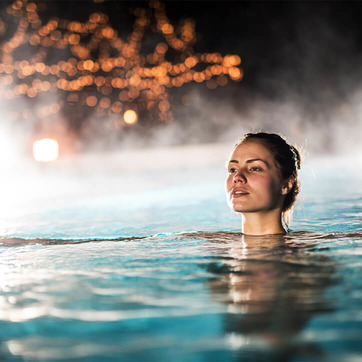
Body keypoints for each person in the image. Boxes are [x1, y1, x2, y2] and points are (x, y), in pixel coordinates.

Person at [226, 132, 301, 235]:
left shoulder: (307, 249)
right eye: (232, 170)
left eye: (254, 168)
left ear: (286, 184)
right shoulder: (211, 245)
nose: (237, 177)